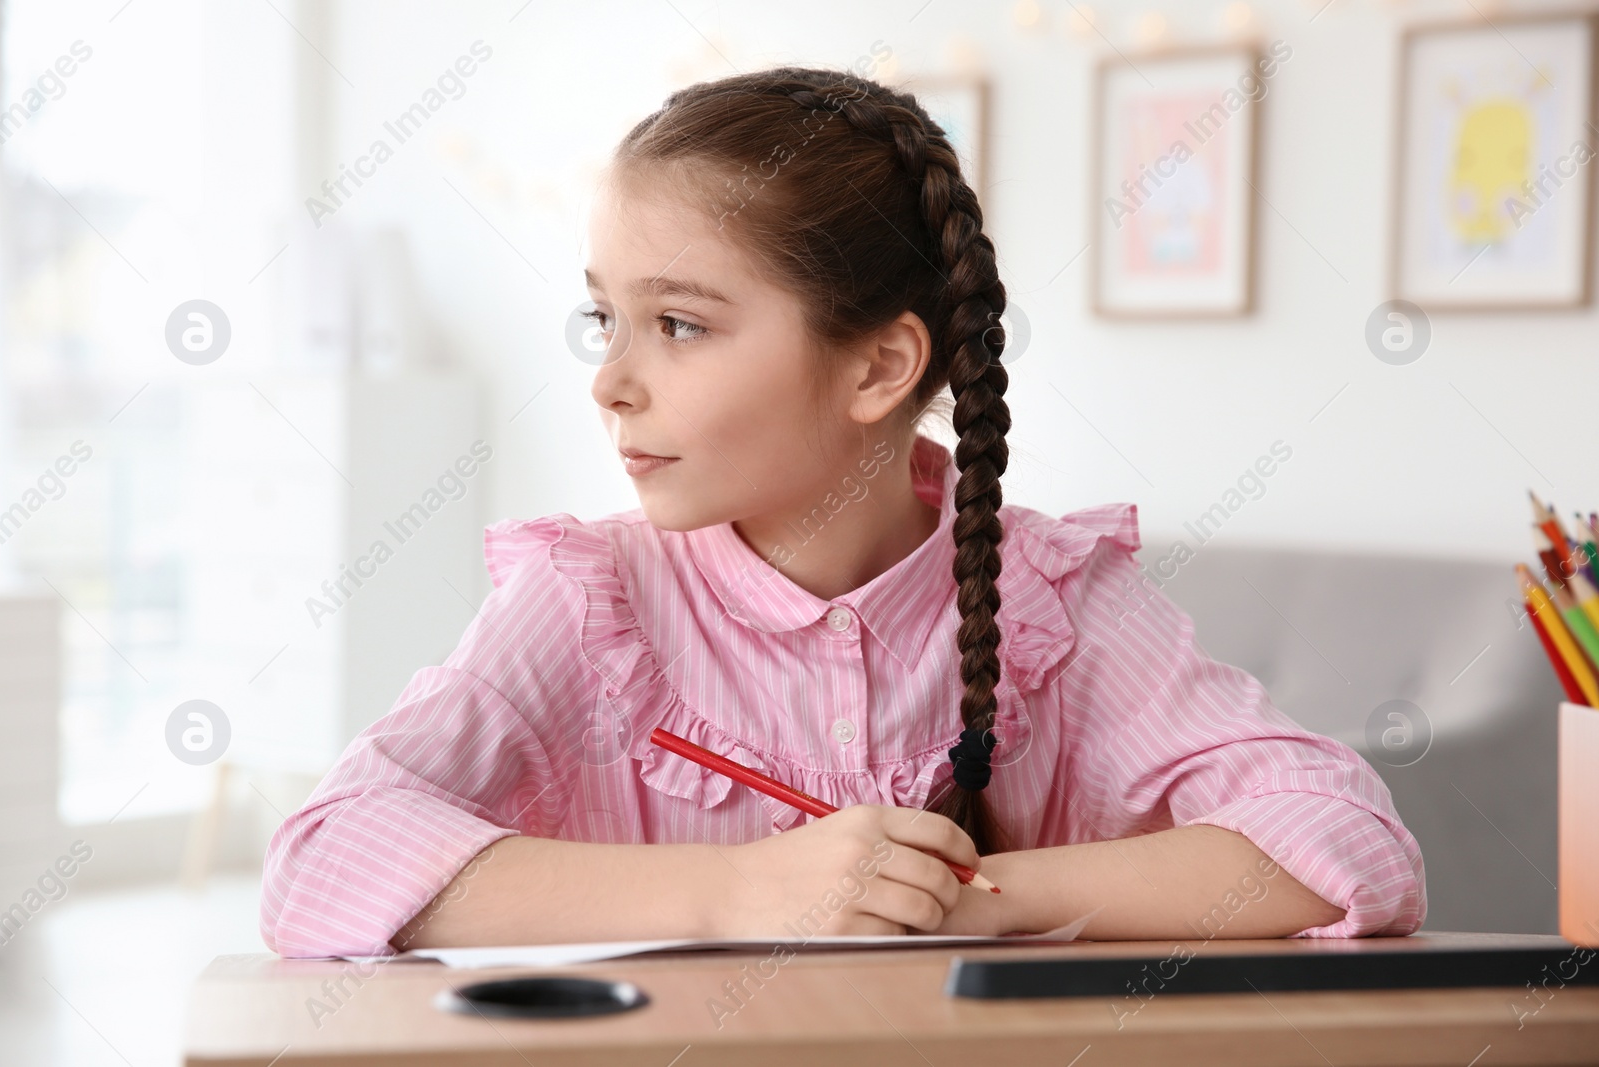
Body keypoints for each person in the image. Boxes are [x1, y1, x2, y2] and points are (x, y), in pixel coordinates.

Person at [260, 67, 1425, 958]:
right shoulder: (589, 603)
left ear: (877, 369)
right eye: (601, 318)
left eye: (677, 324)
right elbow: (321, 862)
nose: (610, 381)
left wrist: (963, 898)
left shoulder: (1052, 603)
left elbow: (1343, 842)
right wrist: (742, 893)